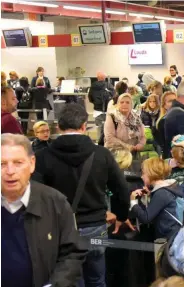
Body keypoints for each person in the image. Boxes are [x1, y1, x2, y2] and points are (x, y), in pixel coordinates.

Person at [32, 103, 133, 286]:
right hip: (95, 225)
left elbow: (36, 195)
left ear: (58, 126)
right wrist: (121, 215)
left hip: (60, 229)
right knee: (96, 278)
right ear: (84, 125)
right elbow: (121, 188)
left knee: (70, 279)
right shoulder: (102, 154)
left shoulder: (42, 157)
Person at [1, 133, 87, 287]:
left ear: (32, 163)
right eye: (2, 164)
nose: (10, 171)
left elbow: (72, 252)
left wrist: (56, 284)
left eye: (18, 162)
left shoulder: (55, 202)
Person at [130, 157, 181, 241]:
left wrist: (133, 201)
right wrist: (150, 195)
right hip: (173, 234)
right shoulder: (168, 187)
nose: (142, 177)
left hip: (168, 238)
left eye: (143, 173)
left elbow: (145, 218)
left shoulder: (161, 193)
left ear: (151, 174)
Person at [88, 72, 115, 141]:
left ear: (97, 78)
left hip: (97, 111)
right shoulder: (109, 85)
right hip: (108, 111)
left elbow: (90, 98)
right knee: (109, 129)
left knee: (99, 129)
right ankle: (108, 144)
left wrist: (95, 103)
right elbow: (114, 97)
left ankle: (99, 145)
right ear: (105, 78)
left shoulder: (93, 86)